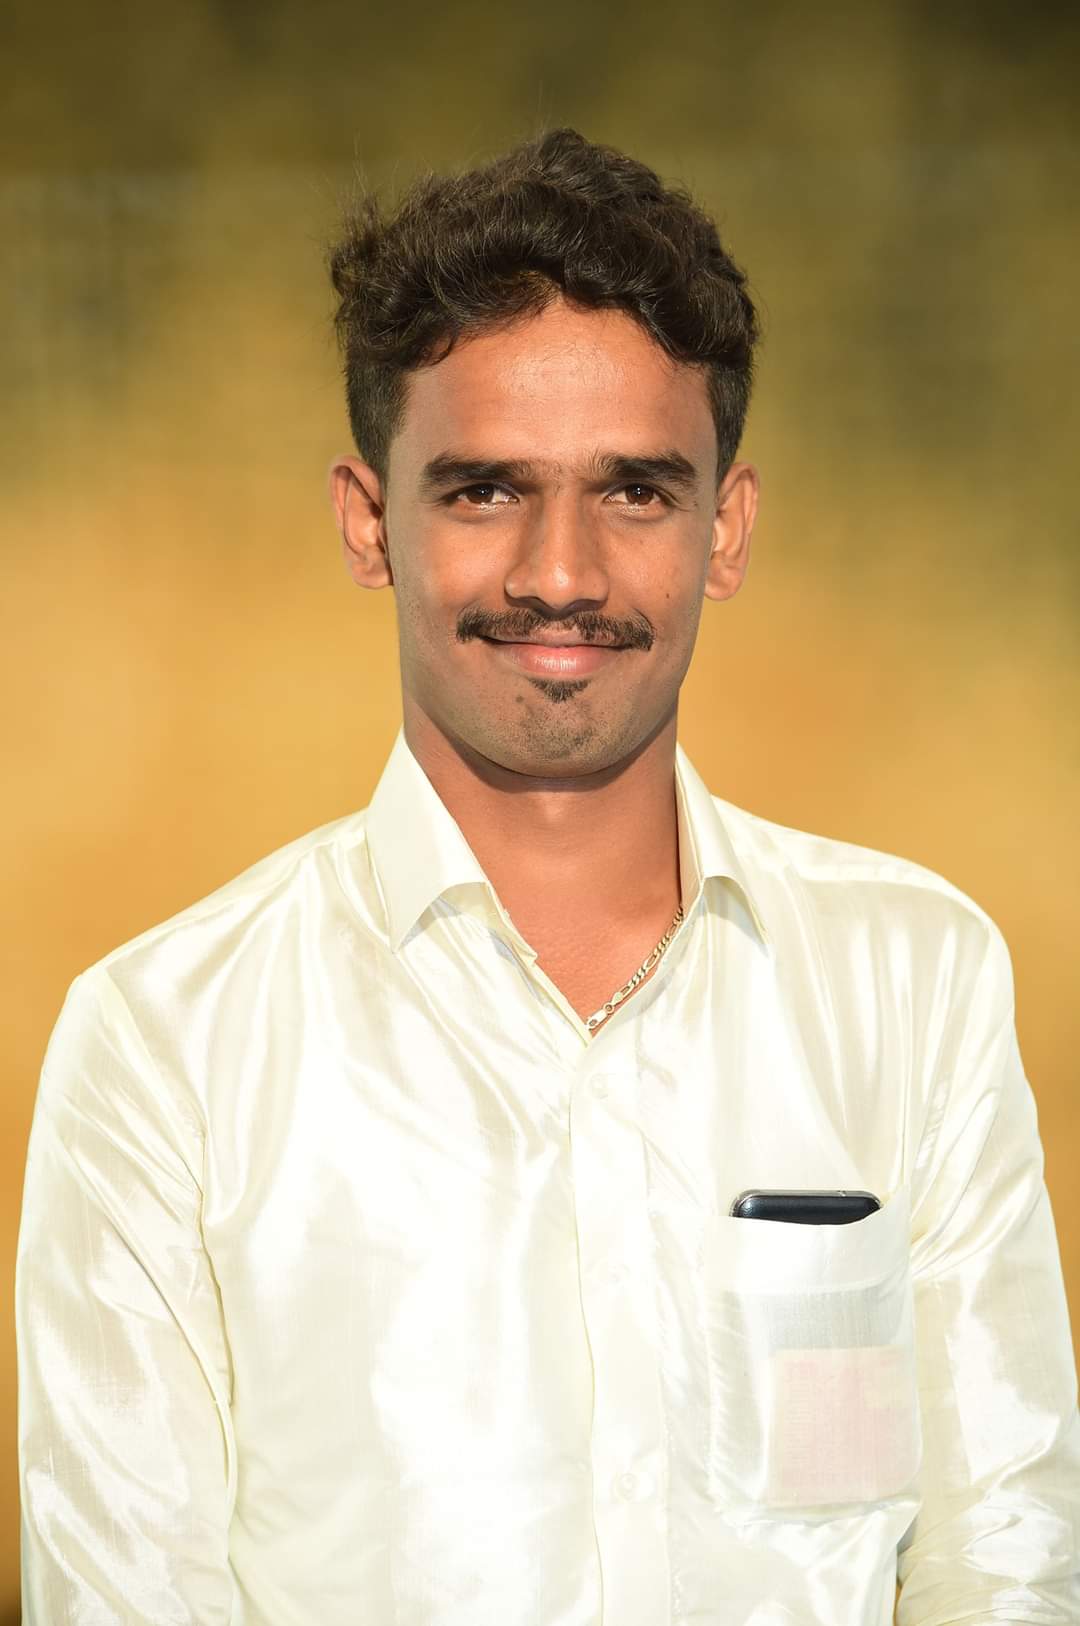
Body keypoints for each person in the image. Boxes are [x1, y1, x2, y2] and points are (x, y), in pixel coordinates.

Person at [16, 126, 1080, 1625]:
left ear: (727, 528)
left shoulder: (911, 980)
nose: (562, 574)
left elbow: (1008, 1555)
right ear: (368, 523)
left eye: (634, 491)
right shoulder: (162, 1044)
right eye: (485, 491)